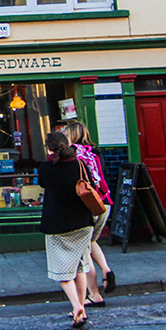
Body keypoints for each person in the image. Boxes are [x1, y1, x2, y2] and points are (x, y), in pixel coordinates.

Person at [39, 131, 95, 329]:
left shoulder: (46, 168)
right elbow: (92, 185)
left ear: (49, 148)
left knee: (62, 272)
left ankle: (76, 306)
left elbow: (43, 183)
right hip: (83, 223)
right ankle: (82, 307)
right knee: (79, 267)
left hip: (58, 226)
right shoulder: (80, 164)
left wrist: (50, 159)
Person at [65, 122, 116, 306]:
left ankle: (94, 294)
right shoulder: (95, 152)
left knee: (83, 252)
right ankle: (106, 269)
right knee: (91, 241)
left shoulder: (72, 155)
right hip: (103, 203)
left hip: (87, 206)